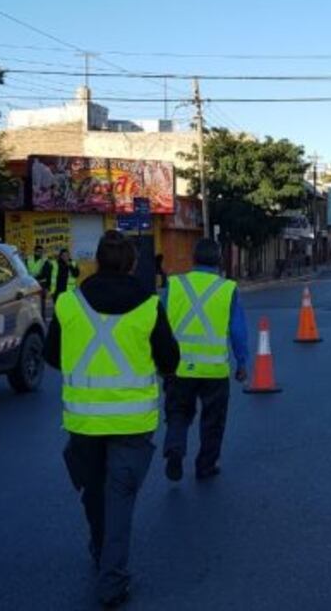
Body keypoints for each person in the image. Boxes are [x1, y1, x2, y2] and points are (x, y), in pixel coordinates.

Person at [44, 230, 180, 608]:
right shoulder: (149, 307)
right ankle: (113, 578)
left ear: (96, 262)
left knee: (94, 492)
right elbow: (170, 360)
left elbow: (52, 356)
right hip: (132, 424)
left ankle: (100, 547)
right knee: (120, 498)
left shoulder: (69, 303)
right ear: (133, 264)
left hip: (84, 423)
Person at [162, 239, 249, 482]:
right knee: (213, 420)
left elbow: (160, 326)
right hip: (214, 370)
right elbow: (238, 331)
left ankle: (175, 447)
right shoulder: (228, 289)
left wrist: (160, 361)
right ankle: (206, 465)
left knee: (178, 412)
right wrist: (242, 363)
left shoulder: (175, 285)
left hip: (178, 367)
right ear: (219, 260)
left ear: (193, 259)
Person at [24, 244, 52, 316]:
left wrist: (48, 286)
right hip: (30, 284)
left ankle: (42, 318)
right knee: (30, 303)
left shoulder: (45, 261)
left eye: (42, 252)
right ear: (35, 251)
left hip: (41, 284)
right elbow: (24, 271)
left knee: (41, 303)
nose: (40, 253)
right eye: (39, 252)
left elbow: (47, 274)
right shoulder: (28, 259)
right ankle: (32, 318)